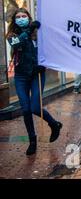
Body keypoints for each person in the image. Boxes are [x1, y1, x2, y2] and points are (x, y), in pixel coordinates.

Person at [6, 8, 63, 156]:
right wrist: (29, 29)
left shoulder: (38, 32)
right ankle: (32, 140)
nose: (21, 18)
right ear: (14, 20)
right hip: (20, 77)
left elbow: (48, 49)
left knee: (35, 107)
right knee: (25, 109)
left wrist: (42, 65)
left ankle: (54, 124)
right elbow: (16, 44)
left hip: (37, 75)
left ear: (29, 17)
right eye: (18, 17)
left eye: (24, 16)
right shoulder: (12, 35)